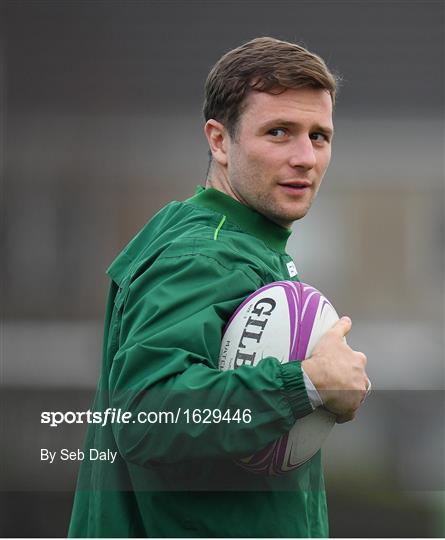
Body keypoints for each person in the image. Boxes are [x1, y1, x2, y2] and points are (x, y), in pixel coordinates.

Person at [68, 36, 369, 538]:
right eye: (279, 132)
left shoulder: (239, 243)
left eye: (319, 136)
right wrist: (307, 383)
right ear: (219, 140)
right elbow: (147, 415)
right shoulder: (203, 256)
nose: (305, 157)